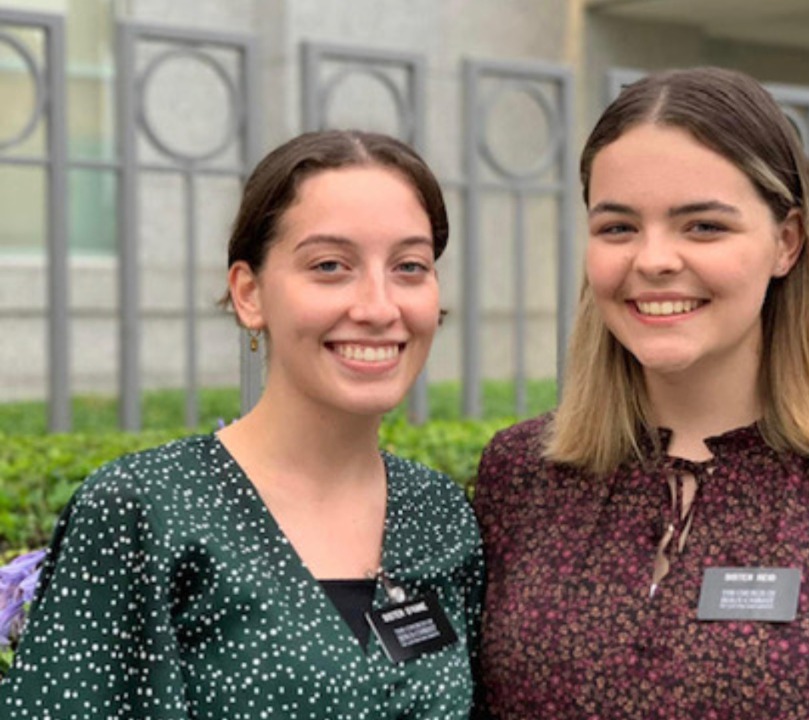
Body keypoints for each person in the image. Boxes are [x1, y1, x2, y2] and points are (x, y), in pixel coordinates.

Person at [472, 67, 809, 719]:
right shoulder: (523, 476)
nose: (653, 260)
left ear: (786, 243)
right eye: (617, 227)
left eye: (702, 227)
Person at [0, 130, 484, 718]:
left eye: (410, 266)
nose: (379, 307)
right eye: (330, 265)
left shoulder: (439, 515)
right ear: (249, 293)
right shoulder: (143, 511)